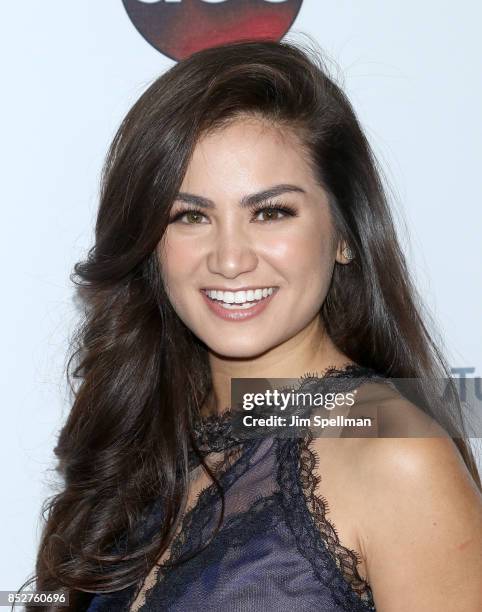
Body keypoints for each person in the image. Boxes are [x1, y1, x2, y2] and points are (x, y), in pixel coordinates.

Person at [20, 39, 482, 611]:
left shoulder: (392, 452)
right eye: (190, 216)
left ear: (344, 234)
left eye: (270, 212)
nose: (230, 258)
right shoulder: (147, 441)